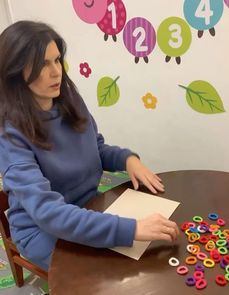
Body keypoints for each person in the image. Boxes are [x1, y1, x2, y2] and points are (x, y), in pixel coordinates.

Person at [0, 21, 179, 271]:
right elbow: (48, 213)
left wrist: (128, 160)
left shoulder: (67, 98)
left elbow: (95, 148)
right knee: (110, 274)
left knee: (145, 256)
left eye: (57, 60)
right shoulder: (10, 135)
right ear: (16, 72)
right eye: (42, 64)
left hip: (89, 207)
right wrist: (131, 228)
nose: (56, 72)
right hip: (43, 230)